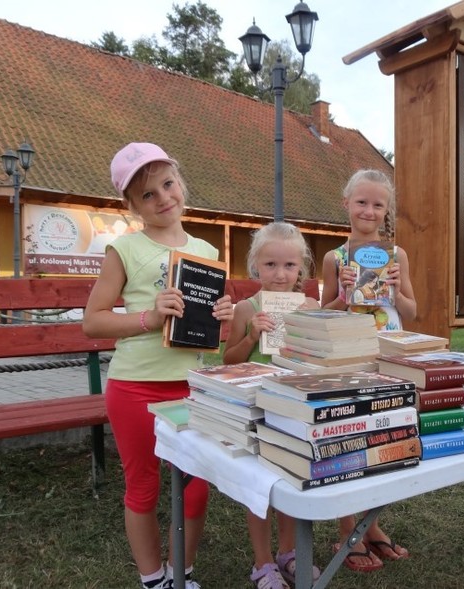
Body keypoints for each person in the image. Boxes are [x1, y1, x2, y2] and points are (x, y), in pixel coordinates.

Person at [83, 142, 233, 589]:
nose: (163, 198)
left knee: (196, 487)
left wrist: (222, 313)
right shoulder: (125, 249)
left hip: (194, 386)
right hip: (135, 389)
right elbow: (93, 321)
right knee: (144, 488)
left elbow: (206, 323)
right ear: (131, 205)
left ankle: (181, 574)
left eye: (168, 184)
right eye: (148, 194)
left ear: (181, 183)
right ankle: (153, 580)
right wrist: (151, 317)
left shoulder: (206, 249)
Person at [321, 169, 417, 572]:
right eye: (362, 202)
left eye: (378, 204)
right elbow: (321, 314)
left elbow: (412, 312)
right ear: (346, 204)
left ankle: (370, 527)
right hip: (349, 356)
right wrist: (344, 294)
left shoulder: (398, 256)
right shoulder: (334, 258)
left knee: (383, 440)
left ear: (387, 210)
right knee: (352, 440)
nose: (369, 210)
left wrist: (395, 288)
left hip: (388, 356)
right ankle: (347, 530)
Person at [223, 222, 321, 589]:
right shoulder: (246, 308)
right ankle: (262, 561)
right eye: (271, 265)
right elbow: (229, 361)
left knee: (292, 477)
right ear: (255, 266)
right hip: (257, 406)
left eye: (290, 266)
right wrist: (251, 335)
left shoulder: (310, 305)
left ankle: (289, 552)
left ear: (301, 269)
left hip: (295, 405)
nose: (280, 275)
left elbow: (320, 355)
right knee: (259, 483)